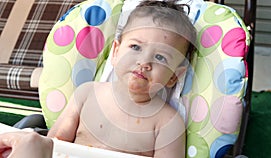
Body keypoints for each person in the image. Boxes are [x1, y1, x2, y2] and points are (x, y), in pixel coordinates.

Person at [1, 1, 196, 157]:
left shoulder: (168, 122)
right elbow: (54, 144)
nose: (144, 62)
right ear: (116, 51)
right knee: (32, 142)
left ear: (173, 76)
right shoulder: (87, 93)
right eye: (136, 47)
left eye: (161, 57)